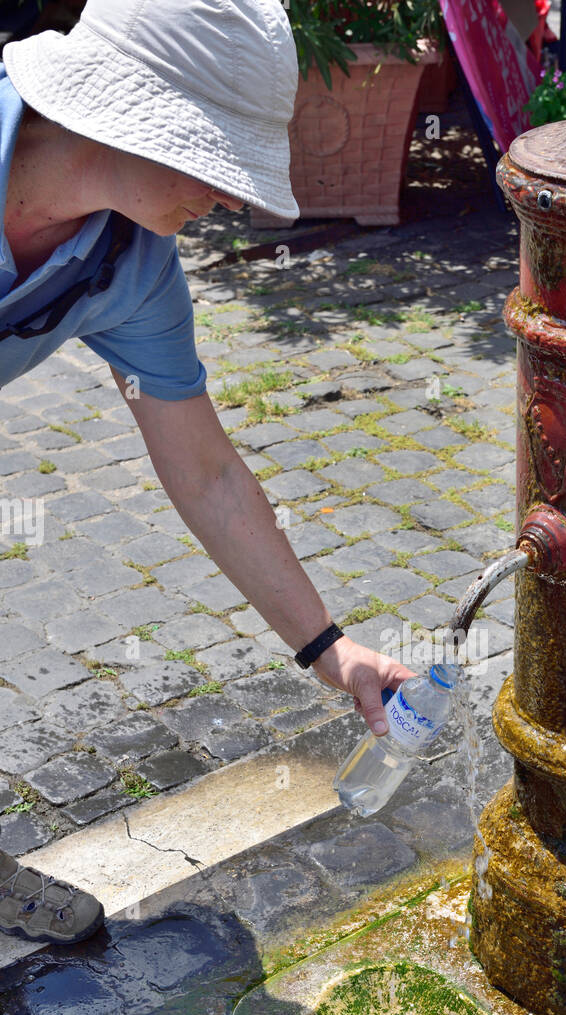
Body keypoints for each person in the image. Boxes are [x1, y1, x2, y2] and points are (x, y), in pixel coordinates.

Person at [0, 0, 414, 947]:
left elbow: (208, 474)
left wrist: (329, 649)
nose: (230, 200)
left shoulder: (129, 266)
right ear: (122, 116)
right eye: (216, 162)